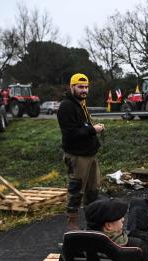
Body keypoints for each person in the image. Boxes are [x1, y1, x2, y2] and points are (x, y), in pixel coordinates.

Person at [57, 73, 106, 230]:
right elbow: (71, 133)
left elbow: (83, 126)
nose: (84, 90)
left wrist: (92, 128)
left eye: (86, 87)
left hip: (90, 154)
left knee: (93, 190)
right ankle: (72, 223)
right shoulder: (67, 106)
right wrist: (93, 130)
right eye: (80, 87)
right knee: (76, 189)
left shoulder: (81, 104)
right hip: (77, 156)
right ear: (72, 87)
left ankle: (93, 223)